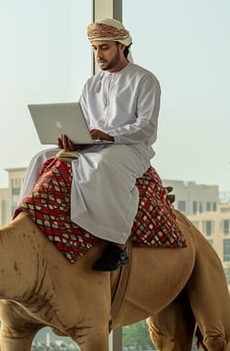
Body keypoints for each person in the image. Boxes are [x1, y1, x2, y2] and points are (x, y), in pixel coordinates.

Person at [19, 17, 161, 271]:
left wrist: (109, 136)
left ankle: (115, 244)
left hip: (130, 149)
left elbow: (147, 126)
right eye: (95, 48)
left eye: (104, 47)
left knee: (101, 165)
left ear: (122, 46)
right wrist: (72, 139)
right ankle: (23, 218)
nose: (99, 54)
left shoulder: (144, 80)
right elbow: (82, 123)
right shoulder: (91, 84)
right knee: (41, 157)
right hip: (92, 146)